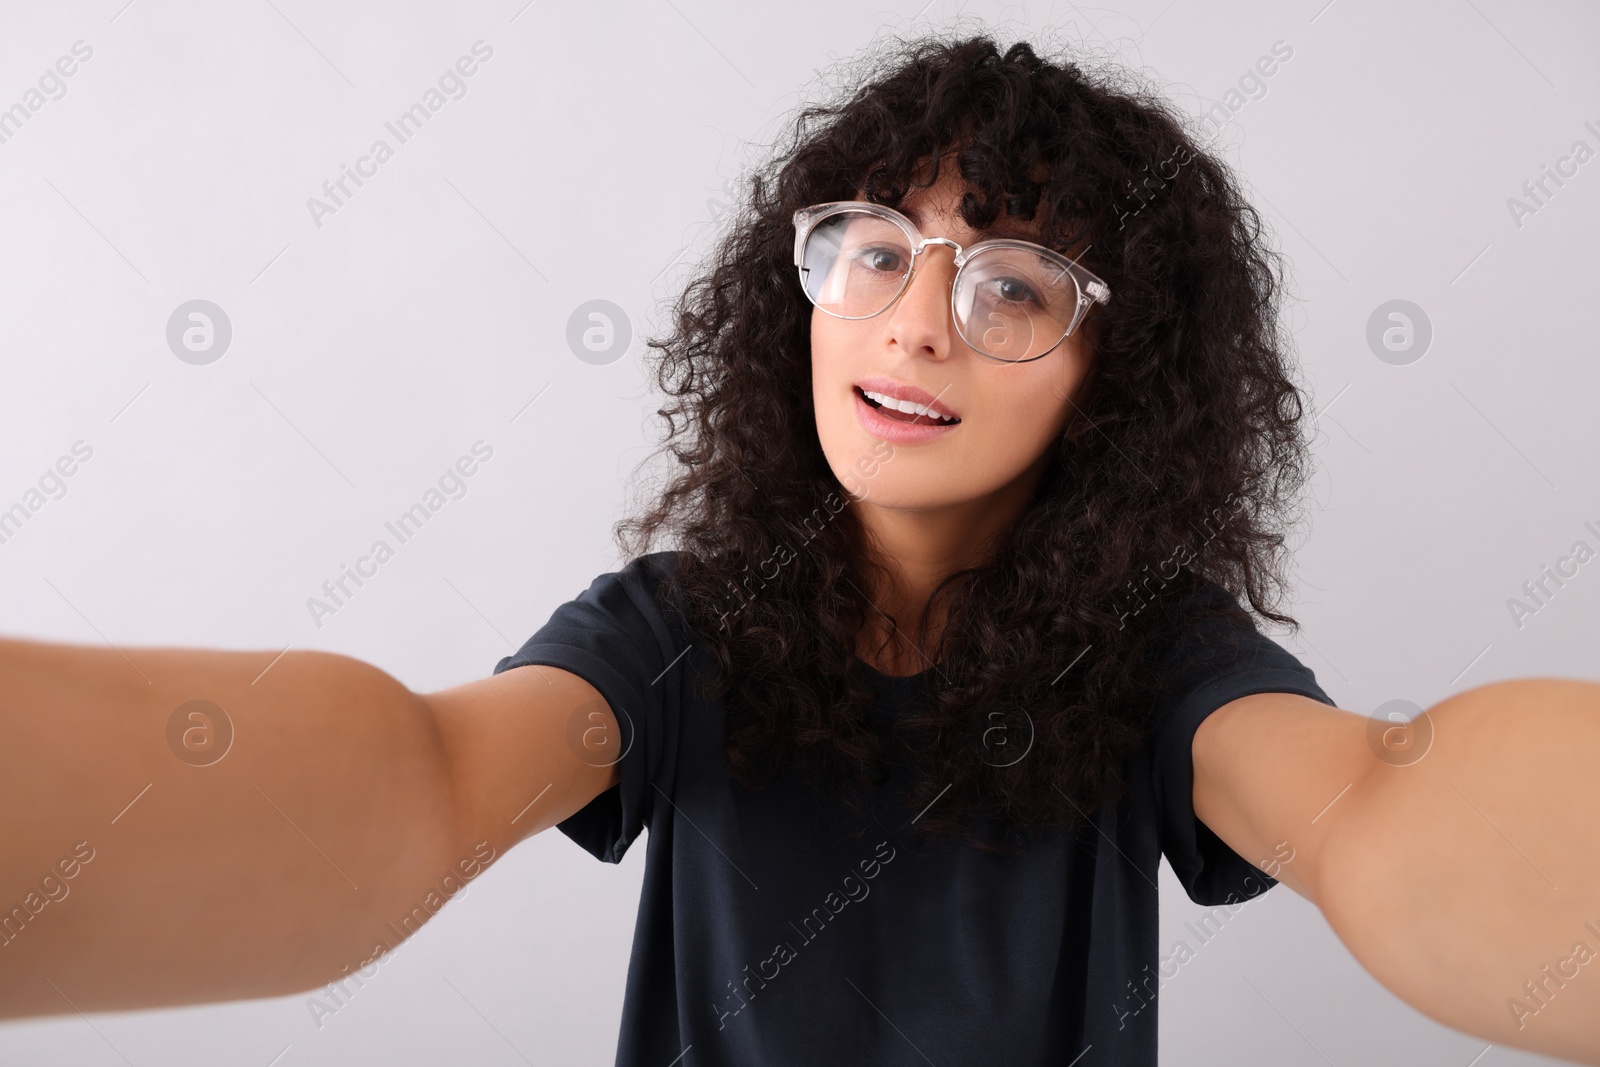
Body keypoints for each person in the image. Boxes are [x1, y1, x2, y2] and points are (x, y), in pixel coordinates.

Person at [3, 31, 1598, 1067]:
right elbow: (419, 780)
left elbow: (1365, 799)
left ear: (1122, 379)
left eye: (1015, 286)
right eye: (875, 251)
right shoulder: (682, 626)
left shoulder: (1159, 654)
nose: (915, 323)